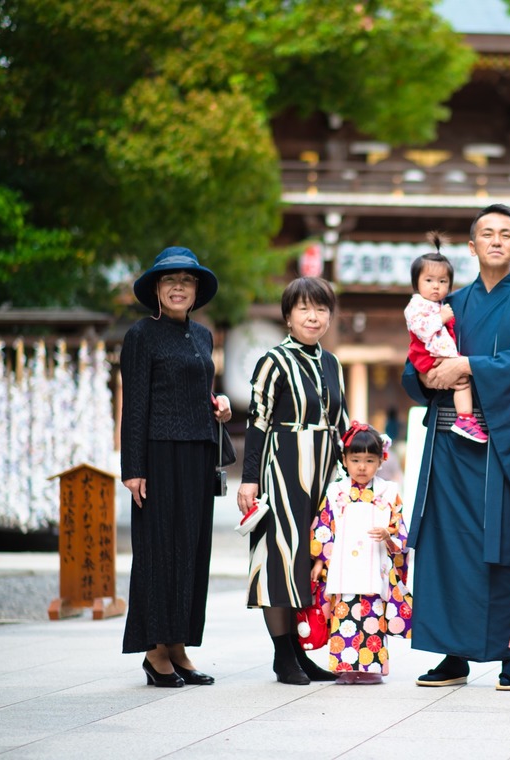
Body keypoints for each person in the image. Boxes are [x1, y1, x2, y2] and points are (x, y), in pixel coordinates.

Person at [401, 203, 510, 691]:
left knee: (502, 546)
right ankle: (453, 654)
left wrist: (467, 366)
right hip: (449, 439)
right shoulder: (448, 304)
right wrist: (428, 372)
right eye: (486, 233)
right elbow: (417, 360)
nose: (495, 240)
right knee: (446, 549)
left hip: (498, 441)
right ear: (471, 246)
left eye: (506, 234)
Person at [120, 246, 231, 688]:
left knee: (192, 550)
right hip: (158, 453)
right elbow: (135, 405)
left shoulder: (203, 336)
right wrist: (133, 468)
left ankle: (179, 645)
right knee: (158, 551)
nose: (179, 286)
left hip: (198, 452)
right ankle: (154, 651)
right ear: (157, 290)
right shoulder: (141, 335)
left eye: (187, 280)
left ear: (197, 289)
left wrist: (218, 407)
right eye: (170, 280)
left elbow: (196, 389)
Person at [237, 277, 350, 685]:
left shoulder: (332, 363)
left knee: (311, 559)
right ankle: (283, 655)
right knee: (280, 559)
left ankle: (302, 650)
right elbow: (257, 422)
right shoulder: (273, 361)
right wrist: (250, 480)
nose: (313, 316)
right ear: (287, 316)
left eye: (321, 309)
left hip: (323, 473)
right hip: (282, 469)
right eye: (303, 308)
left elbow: (343, 425)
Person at [310, 422, 412, 684]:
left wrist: (389, 535)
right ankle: (345, 667)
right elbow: (325, 527)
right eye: (355, 460)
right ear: (344, 460)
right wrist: (321, 560)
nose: (362, 467)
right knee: (344, 612)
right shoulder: (336, 492)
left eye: (369, 460)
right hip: (343, 564)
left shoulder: (389, 491)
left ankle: (371, 668)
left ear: (381, 460)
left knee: (372, 614)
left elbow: (399, 526)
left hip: (374, 563)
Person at [405, 233, 488, 443]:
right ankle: (465, 419)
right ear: (416, 282)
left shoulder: (440, 305)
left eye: (443, 281)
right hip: (428, 355)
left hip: (438, 354)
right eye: (429, 280)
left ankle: (465, 418)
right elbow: (421, 329)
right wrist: (441, 318)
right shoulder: (417, 306)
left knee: (461, 381)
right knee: (461, 381)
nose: (436, 286)